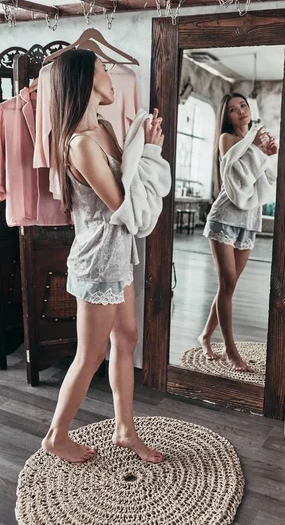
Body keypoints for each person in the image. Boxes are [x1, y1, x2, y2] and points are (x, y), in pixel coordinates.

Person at [41, 49, 164, 464]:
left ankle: (125, 430)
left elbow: (131, 178)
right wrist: (145, 151)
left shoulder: (108, 128)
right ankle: (56, 436)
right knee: (90, 354)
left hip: (117, 256)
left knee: (126, 339)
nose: (111, 76)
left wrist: (145, 147)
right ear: (85, 80)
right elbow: (121, 205)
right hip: (97, 262)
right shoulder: (79, 144)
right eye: (103, 69)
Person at [199, 93, 278, 372]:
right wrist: (257, 150)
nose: (241, 112)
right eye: (233, 110)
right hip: (225, 218)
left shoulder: (257, 136)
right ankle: (231, 351)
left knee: (229, 287)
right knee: (227, 286)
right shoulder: (227, 140)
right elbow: (237, 178)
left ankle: (206, 336)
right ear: (227, 117)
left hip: (249, 220)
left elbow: (262, 180)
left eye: (243, 106)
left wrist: (267, 154)